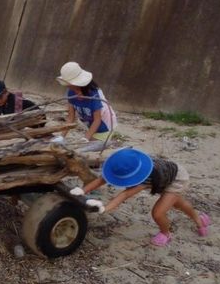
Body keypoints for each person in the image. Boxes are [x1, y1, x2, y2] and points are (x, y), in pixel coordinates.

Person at [70, 148, 211, 247]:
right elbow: (102, 179)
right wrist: (82, 190)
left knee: (158, 213)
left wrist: (104, 208)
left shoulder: (144, 180)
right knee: (178, 204)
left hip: (176, 180)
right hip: (165, 176)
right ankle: (199, 218)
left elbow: (124, 195)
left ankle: (166, 233)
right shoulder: (130, 162)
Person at [56, 62, 117, 143]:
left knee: (83, 148)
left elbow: (97, 120)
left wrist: (86, 138)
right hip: (91, 124)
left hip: (105, 126)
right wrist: (61, 137)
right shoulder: (71, 92)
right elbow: (71, 118)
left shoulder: (94, 94)